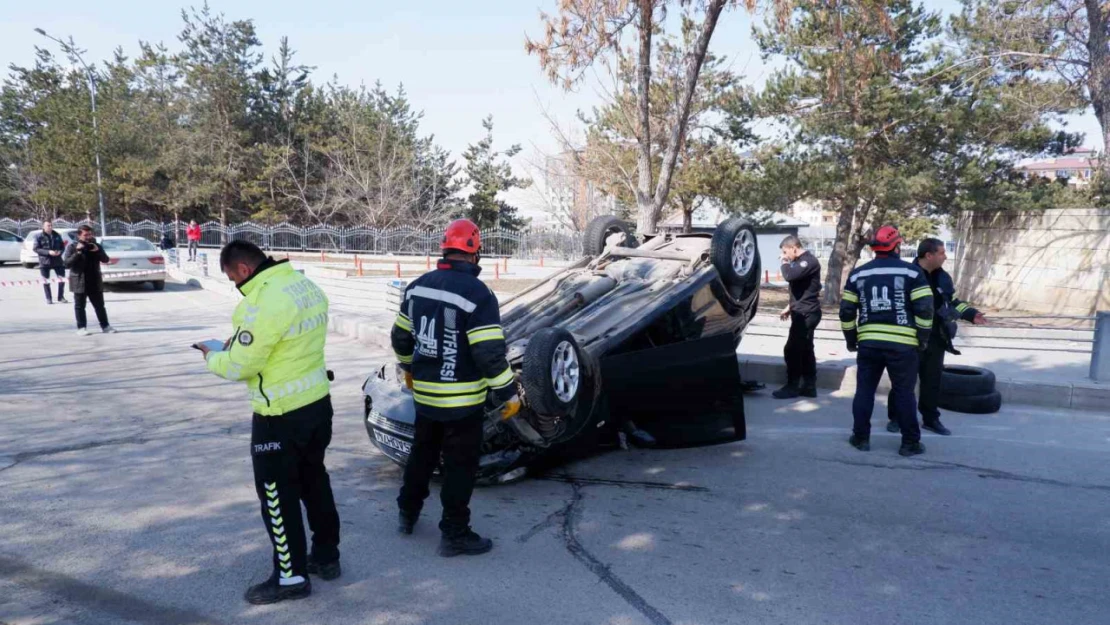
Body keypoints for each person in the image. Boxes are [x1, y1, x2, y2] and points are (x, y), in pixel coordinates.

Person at [198, 241, 341, 605]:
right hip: (316, 403)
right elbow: (285, 343)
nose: (234, 285)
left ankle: (291, 577)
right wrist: (242, 344)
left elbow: (240, 366)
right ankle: (326, 556)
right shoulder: (303, 285)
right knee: (314, 479)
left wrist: (213, 355)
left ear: (243, 269)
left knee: (277, 495)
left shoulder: (262, 302)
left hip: (279, 414)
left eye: (232, 278)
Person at [391, 218, 520, 557]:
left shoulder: (417, 286)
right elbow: (488, 353)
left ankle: (407, 512)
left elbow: (400, 337)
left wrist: (408, 366)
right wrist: (509, 392)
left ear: (444, 248)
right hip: (463, 401)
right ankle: (454, 533)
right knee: (460, 466)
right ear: (475, 252)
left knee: (422, 454)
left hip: (426, 396)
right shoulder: (478, 294)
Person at [839, 225, 934, 457]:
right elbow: (925, 310)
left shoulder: (858, 274)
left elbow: (846, 312)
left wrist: (852, 340)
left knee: (864, 391)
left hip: (869, 344)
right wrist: (922, 339)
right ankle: (909, 443)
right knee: (904, 393)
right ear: (897, 246)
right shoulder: (912, 273)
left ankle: (860, 438)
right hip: (903, 346)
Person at [886, 238, 987, 436]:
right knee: (903, 381)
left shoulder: (943, 277)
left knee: (932, 381)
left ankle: (930, 419)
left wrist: (970, 314)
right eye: (942, 253)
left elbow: (952, 301)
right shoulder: (907, 274)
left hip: (936, 338)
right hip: (910, 337)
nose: (945, 256)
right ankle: (896, 417)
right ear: (929, 255)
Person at [773, 235, 823, 399]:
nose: (784, 255)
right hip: (802, 310)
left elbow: (790, 276)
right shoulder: (801, 262)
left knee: (792, 350)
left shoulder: (808, 261)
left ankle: (792, 386)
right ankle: (809, 386)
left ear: (794, 247)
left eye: (785, 251)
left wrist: (784, 262)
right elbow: (803, 289)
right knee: (806, 349)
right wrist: (790, 306)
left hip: (807, 313)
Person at [63, 225, 115, 336]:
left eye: (90, 234)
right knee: (80, 306)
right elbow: (67, 263)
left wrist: (98, 251)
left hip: (94, 281)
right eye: (85, 235)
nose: (88, 237)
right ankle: (81, 327)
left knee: (100, 306)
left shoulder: (96, 246)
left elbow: (106, 259)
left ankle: (105, 326)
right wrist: (78, 252)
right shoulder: (72, 246)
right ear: (79, 235)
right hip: (79, 281)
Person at [33, 221, 68, 305]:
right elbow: (36, 249)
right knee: (46, 281)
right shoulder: (38, 236)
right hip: (45, 261)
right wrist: (48, 252)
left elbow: (62, 246)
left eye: (51, 225)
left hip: (57, 261)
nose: (50, 227)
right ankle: (49, 298)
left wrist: (60, 252)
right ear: (43, 227)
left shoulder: (57, 235)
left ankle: (61, 297)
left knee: (62, 279)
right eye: (48, 225)